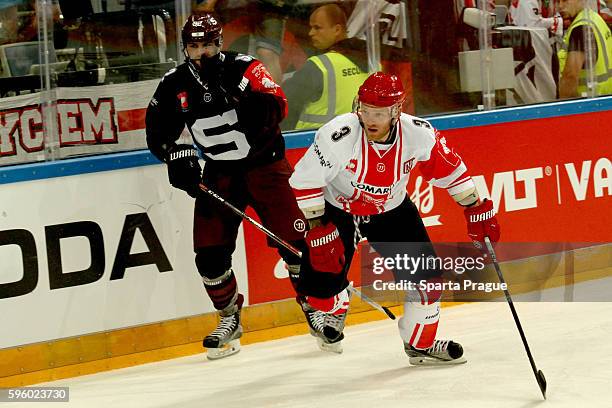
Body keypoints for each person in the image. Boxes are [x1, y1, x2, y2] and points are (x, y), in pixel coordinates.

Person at [289, 72, 501, 364]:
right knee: (320, 289)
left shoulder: (419, 134)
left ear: (396, 111)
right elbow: (305, 180)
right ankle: (333, 302)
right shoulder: (338, 134)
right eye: (364, 110)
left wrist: (476, 209)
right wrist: (317, 229)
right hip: (338, 209)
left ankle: (420, 345)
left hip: (391, 210)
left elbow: (452, 172)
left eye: (379, 113)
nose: (370, 119)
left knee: (427, 282)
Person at [145, 13, 309, 360]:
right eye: (194, 45)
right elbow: (158, 133)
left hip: (266, 167)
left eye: (207, 45)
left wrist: (250, 101)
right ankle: (229, 318)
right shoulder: (174, 84)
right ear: (185, 47)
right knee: (209, 255)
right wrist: (179, 158)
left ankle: (316, 307)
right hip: (220, 173)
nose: (201, 52)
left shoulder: (245, 68)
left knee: (295, 244)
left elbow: (279, 104)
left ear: (219, 44)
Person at [282, 3, 369, 131]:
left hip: (313, 142)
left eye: (317, 28)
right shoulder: (370, 61)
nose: (311, 33)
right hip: (358, 138)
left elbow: (281, 103)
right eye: (311, 27)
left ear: (337, 30)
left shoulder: (319, 66)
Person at [558, 0, 612, 98]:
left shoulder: (580, 28)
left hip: (588, 103)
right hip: (605, 99)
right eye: (558, 1)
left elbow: (570, 77)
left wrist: (564, 109)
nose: (560, 6)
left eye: (565, 0)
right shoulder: (595, 18)